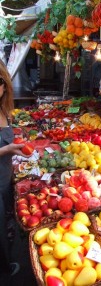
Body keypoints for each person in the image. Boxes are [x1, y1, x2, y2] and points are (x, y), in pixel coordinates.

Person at [0, 59, 28, 277]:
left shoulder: (4, 109)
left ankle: (7, 264)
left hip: (5, 179)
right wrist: (7, 148)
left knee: (6, 224)